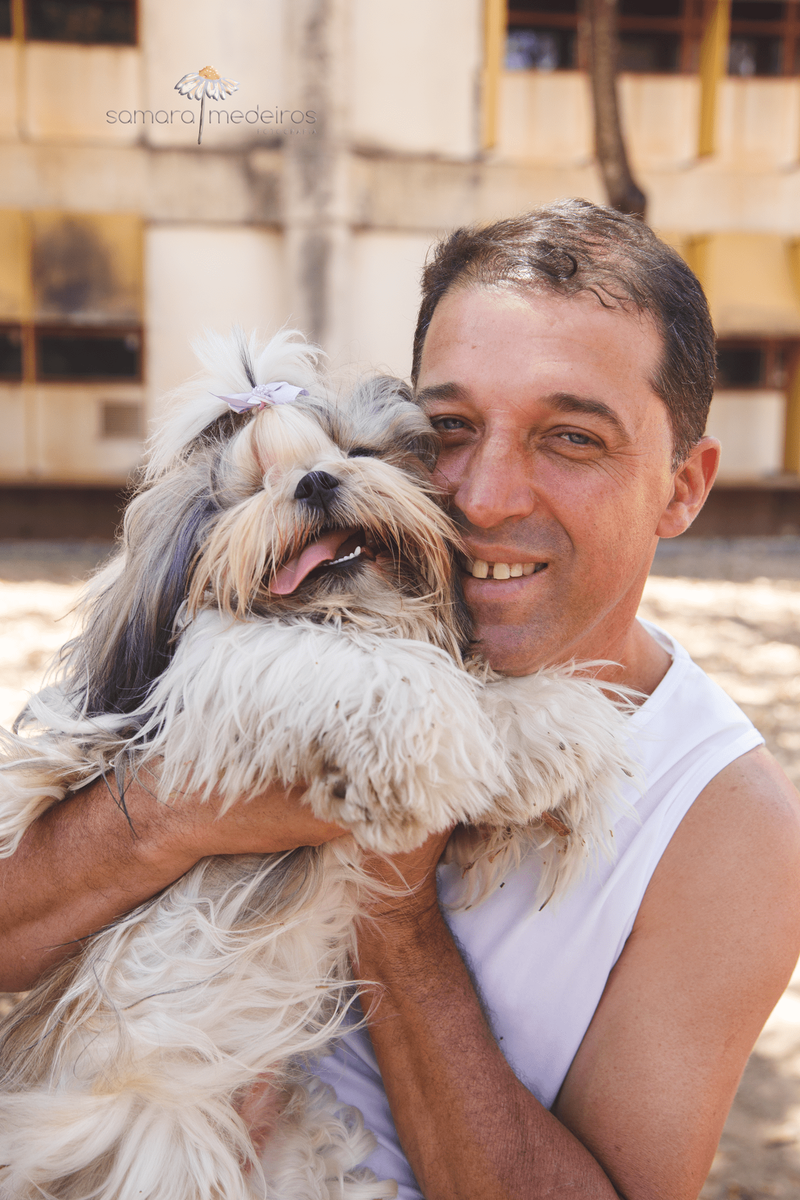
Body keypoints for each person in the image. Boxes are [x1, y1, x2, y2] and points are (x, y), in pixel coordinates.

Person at [2, 199, 800, 1200]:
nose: (485, 496)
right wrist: (173, 810)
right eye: (450, 429)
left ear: (682, 488)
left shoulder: (724, 823)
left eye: (571, 439)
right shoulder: (299, 625)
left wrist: (396, 906)